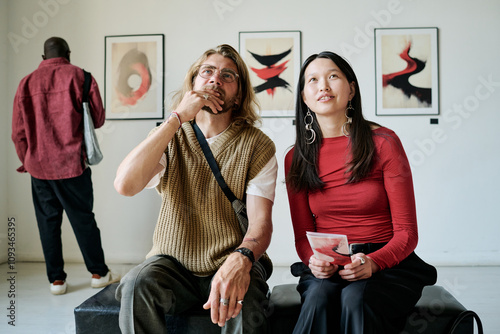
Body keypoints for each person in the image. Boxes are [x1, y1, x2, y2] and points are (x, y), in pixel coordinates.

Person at [114, 44, 277, 334]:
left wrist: (241, 260)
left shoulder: (257, 146)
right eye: (207, 72)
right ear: (193, 84)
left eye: (228, 76)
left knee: (247, 297)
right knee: (137, 283)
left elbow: (260, 225)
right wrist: (176, 118)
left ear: (239, 94)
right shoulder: (169, 137)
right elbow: (125, 185)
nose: (216, 80)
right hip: (173, 264)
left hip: (234, 257)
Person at [284, 51, 437, 334]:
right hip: (330, 263)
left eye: (333, 77)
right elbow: (302, 236)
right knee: (318, 297)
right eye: (313, 80)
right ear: (304, 98)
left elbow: (407, 233)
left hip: (386, 262)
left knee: (356, 298)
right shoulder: (296, 158)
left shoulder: (384, 142)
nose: (323, 86)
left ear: (351, 88)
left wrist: (374, 263)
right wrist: (313, 261)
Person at [11, 37, 119, 295]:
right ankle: (98, 273)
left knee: (48, 223)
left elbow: (18, 133)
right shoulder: (82, 77)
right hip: (73, 166)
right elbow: (99, 119)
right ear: (68, 54)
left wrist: (27, 160)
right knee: (83, 219)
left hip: (38, 168)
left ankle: (56, 281)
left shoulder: (25, 83)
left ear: (43, 56)